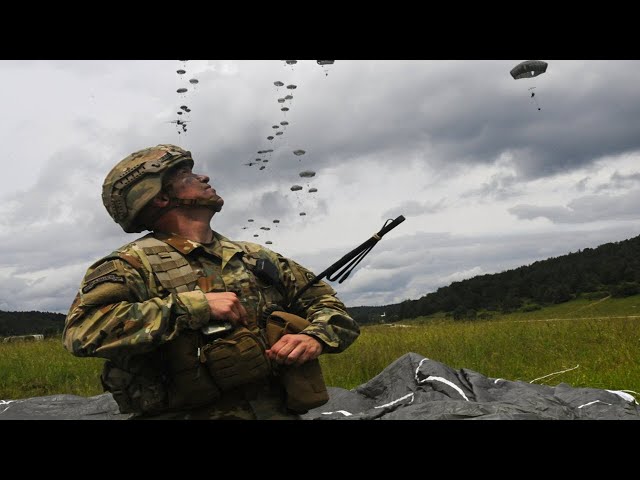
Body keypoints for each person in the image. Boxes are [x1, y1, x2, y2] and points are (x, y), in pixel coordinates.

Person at [62, 144, 360, 420]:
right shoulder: (131, 265)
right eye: (185, 175)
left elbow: (330, 306)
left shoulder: (256, 257)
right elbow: (81, 332)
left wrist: (315, 337)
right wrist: (193, 307)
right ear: (161, 197)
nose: (203, 176)